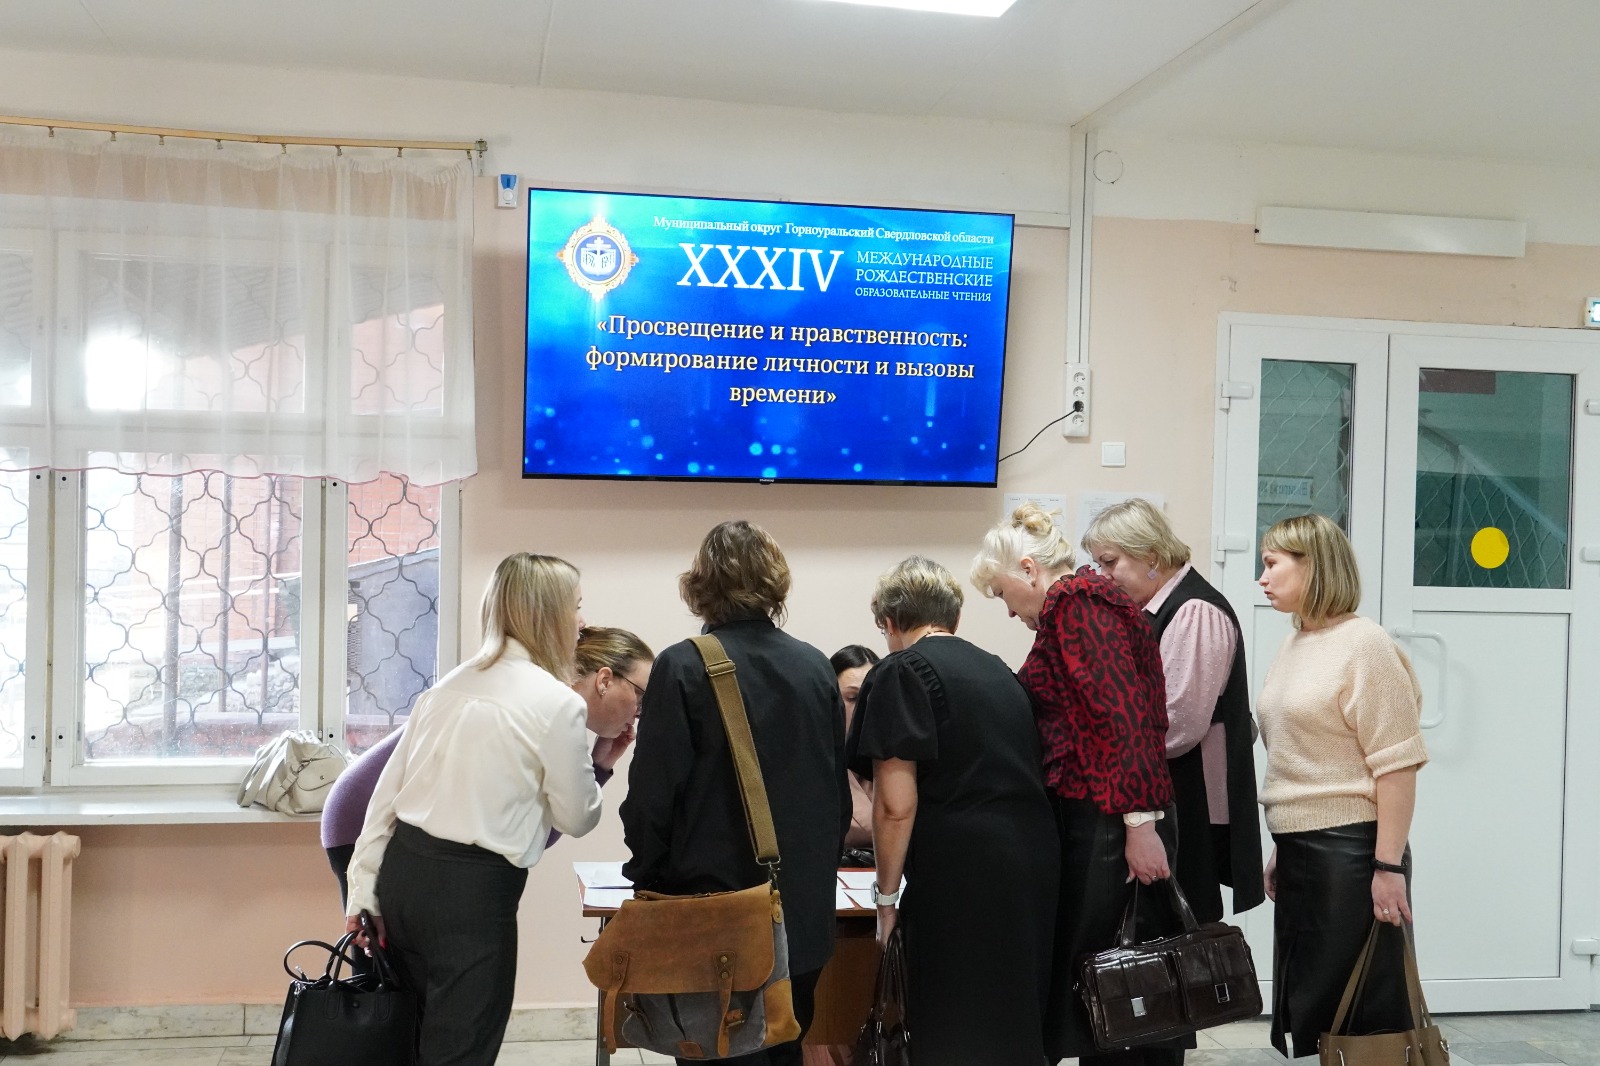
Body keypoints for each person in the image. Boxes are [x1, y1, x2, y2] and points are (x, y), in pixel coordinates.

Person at [342, 553, 604, 1066]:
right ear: (548, 613)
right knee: (462, 1050)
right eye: (576, 606)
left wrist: (363, 891)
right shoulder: (558, 703)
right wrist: (599, 766)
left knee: (410, 1039)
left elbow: (386, 798)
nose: (582, 621)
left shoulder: (449, 685)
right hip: (472, 896)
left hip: (403, 876)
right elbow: (577, 817)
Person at [621, 520, 849, 1066]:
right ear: (775, 582)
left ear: (700, 584)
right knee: (785, 1048)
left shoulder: (683, 665)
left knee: (713, 1049)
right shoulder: (816, 666)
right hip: (801, 915)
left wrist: (647, 876)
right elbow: (836, 797)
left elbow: (653, 798)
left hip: (713, 917)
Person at [972, 503, 1186, 1066]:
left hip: (1113, 818)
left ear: (1028, 570)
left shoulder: (1077, 603)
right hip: (1107, 812)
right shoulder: (1082, 603)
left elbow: (1123, 716)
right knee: (1109, 986)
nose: (1007, 609)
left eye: (1002, 593)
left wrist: (1140, 826)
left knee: (1117, 982)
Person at [846, 556, 1058, 1066]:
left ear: (889, 622)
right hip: (1034, 861)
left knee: (953, 1024)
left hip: (961, 872)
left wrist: (886, 900)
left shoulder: (900, 671)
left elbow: (895, 805)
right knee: (1012, 1022)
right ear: (954, 618)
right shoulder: (999, 671)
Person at [321, 625, 654, 908]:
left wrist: (598, 766)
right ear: (604, 680)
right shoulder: (543, 702)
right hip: (365, 812)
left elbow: (534, 832)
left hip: (385, 813)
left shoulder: (552, 706)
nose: (640, 712)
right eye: (641, 695)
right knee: (382, 955)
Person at [1256, 513, 1427, 1058]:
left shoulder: (1365, 645)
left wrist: (1387, 867)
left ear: (1313, 566)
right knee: (1315, 1008)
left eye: (1272, 564)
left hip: (1352, 853)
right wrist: (1285, 846)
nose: (1262, 577)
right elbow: (1303, 754)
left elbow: (1397, 766)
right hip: (1301, 847)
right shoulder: (1297, 642)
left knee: (1360, 1012)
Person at [1080, 498, 1265, 924]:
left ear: (1150, 556)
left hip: (1187, 798)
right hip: (1166, 793)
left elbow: (1177, 723)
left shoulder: (1195, 611)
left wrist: (1103, 747)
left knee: (1179, 933)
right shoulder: (1154, 610)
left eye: (1110, 562)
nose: (1103, 576)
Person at [830, 644, 879, 864]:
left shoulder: (899, 758)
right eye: (852, 698)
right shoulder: (815, 760)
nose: (864, 707)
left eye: (871, 697)